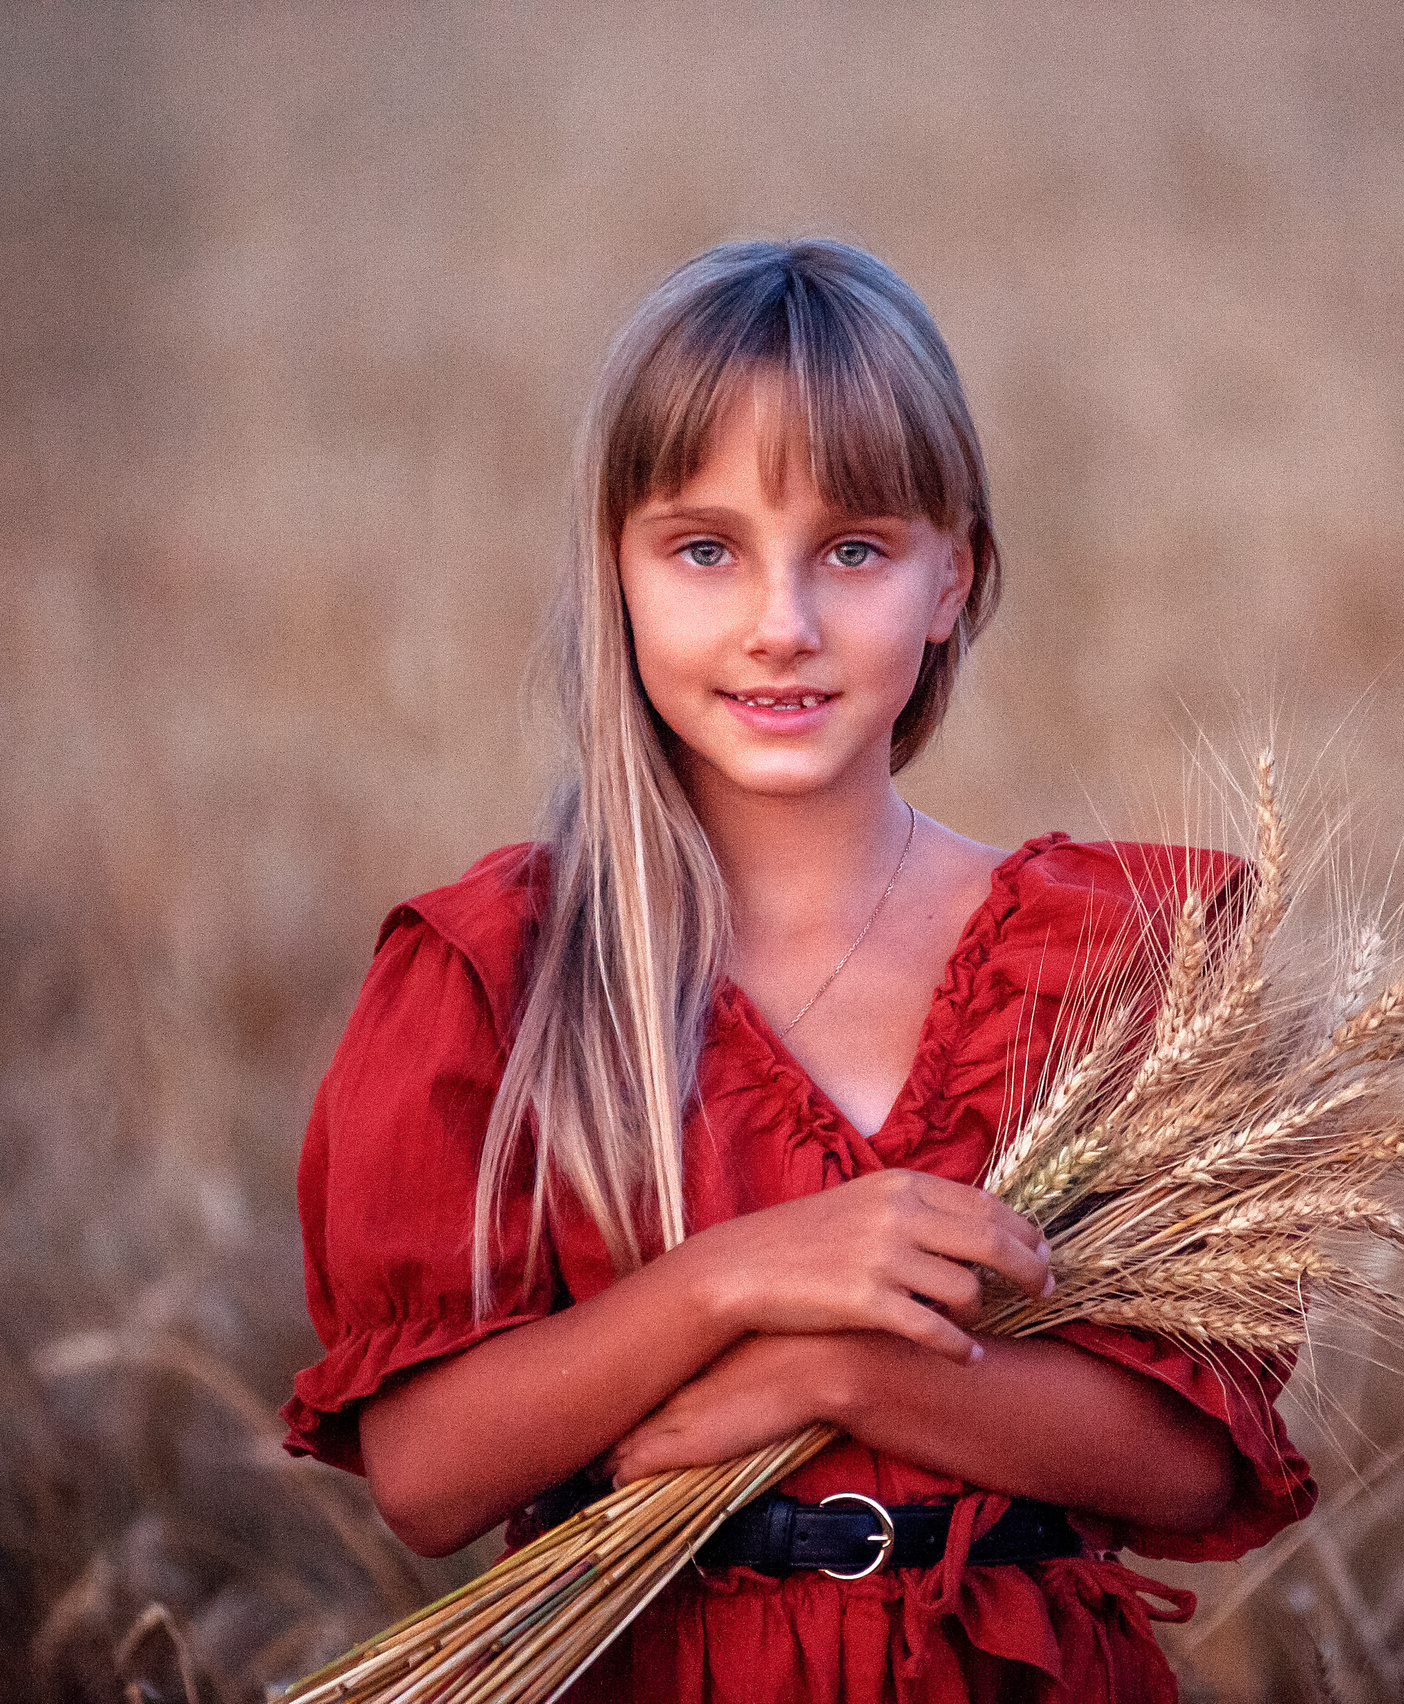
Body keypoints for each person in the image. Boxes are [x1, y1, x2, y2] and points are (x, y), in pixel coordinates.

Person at [282, 239, 1314, 1702]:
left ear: (956, 575)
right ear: (617, 578)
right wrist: (732, 1282)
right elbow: (427, 1477)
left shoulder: (1110, 966)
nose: (782, 622)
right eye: (704, 548)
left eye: (855, 550)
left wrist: (839, 1373)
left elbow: (1186, 1461)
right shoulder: (503, 980)